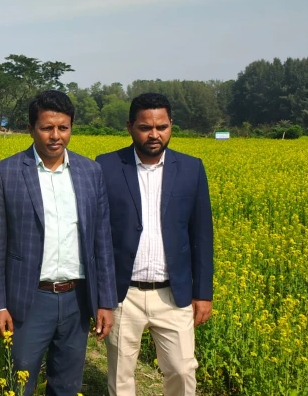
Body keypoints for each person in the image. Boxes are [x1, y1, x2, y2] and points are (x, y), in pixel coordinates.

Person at [0, 90, 117, 396]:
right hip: (29, 299)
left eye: (63, 128)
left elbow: (102, 241)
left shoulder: (90, 171)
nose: (56, 136)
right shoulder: (6, 172)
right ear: (31, 129)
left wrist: (106, 302)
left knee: (66, 385)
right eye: (47, 128)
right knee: (19, 383)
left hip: (77, 298)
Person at [96, 93, 213, 396]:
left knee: (182, 371)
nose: (154, 134)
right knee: (121, 376)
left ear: (171, 125)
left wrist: (203, 293)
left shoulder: (191, 168)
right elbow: (98, 234)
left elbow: (201, 235)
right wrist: (101, 295)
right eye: (145, 127)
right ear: (130, 127)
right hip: (124, 295)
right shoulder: (107, 166)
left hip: (173, 294)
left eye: (162, 127)